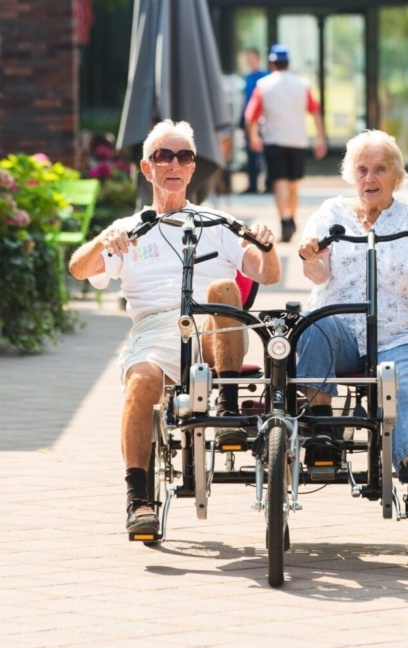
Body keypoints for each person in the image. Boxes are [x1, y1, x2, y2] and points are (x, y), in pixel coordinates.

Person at [69, 120, 281, 538]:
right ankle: (138, 497)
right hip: (156, 327)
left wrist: (267, 247)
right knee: (141, 380)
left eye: (183, 156)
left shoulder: (217, 222)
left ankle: (229, 403)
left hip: (211, 325)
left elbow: (267, 274)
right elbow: (78, 269)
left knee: (222, 286)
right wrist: (102, 241)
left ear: (192, 168)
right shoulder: (130, 229)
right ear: (146, 168)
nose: (174, 164)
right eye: (163, 156)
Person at [293, 130, 408, 511]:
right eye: (362, 170)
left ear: (397, 175)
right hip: (340, 333)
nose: (370, 179)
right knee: (315, 324)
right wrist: (310, 254)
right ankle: (323, 433)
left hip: (402, 337)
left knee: (403, 388)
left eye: (380, 169)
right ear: (351, 174)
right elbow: (317, 275)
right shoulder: (330, 214)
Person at [245, 43, 327, 242]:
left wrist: (254, 136)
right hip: (297, 140)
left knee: (279, 181)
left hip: (274, 140)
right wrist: (320, 137)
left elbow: (250, 116)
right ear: (288, 63)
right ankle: (291, 217)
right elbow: (315, 111)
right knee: (293, 183)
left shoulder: (263, 85)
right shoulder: (302, 84)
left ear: (272, 63)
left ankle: (285, 220)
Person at [240, 48, 269, 194]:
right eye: (247, 58)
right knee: (251, 154)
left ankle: (269, 184)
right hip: (249, 119)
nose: (249, 60)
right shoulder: (247, 77)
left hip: (262, 120)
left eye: (251, 57)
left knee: (265, 154)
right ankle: (253, 185)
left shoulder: (265, 77)